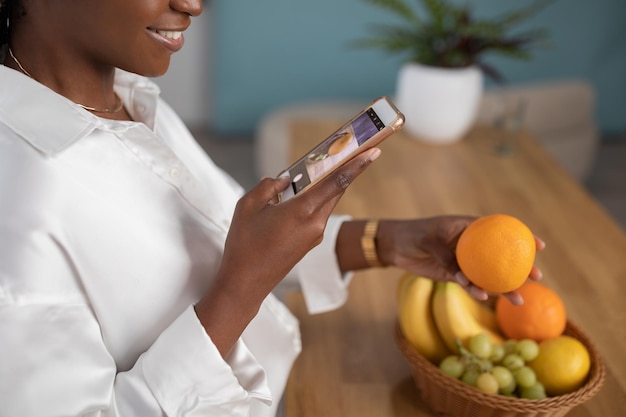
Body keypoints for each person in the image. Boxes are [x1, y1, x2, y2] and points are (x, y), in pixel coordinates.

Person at [0, 1, 544, 416]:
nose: (194, 4)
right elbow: (240, 268)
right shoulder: (20, 206)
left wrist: (385, 241)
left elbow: (223, 239)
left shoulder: (129, 98)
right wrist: (240, 290)